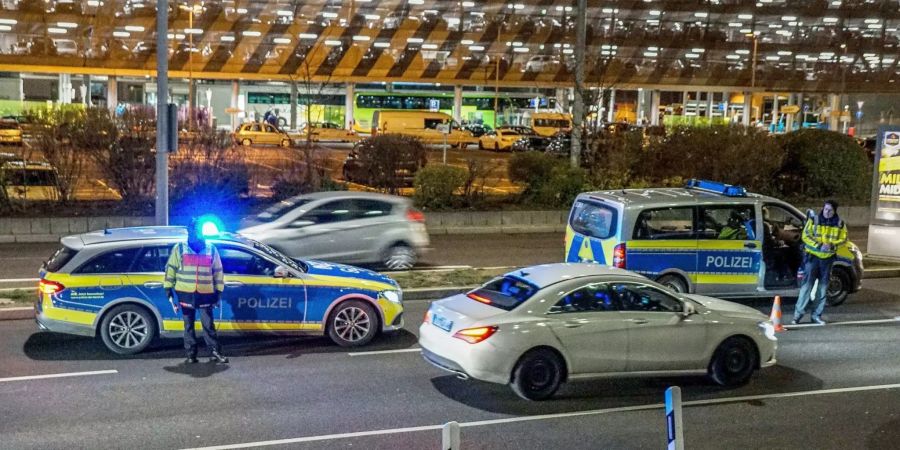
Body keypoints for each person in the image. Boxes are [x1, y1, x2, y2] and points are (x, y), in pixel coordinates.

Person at [164, 218, 228, 364]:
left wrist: (218, 292)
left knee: (208, 325)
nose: (197, 233)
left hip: (205, 294)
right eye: (194, 230)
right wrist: (168, 289)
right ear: (189, 231)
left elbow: (218, 272)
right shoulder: (180, 248)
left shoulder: (211, 249)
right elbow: (171, 270)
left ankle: (214, 352)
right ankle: (191, 354)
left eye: (199, 230)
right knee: (188, 326)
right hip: (185, 294)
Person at [792, 200, 848, 325]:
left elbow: (844, 239)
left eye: (830, 210)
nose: (827, 212)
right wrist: (819, 245)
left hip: (827, 260)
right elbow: (805, 235)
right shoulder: (814, 220)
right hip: (813, 258)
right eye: (825, 209)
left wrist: (832, 245)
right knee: (806, 287)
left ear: (835, 211)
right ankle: (797, 316)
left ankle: (816, 316)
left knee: (822, 290)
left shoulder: (839, 224)